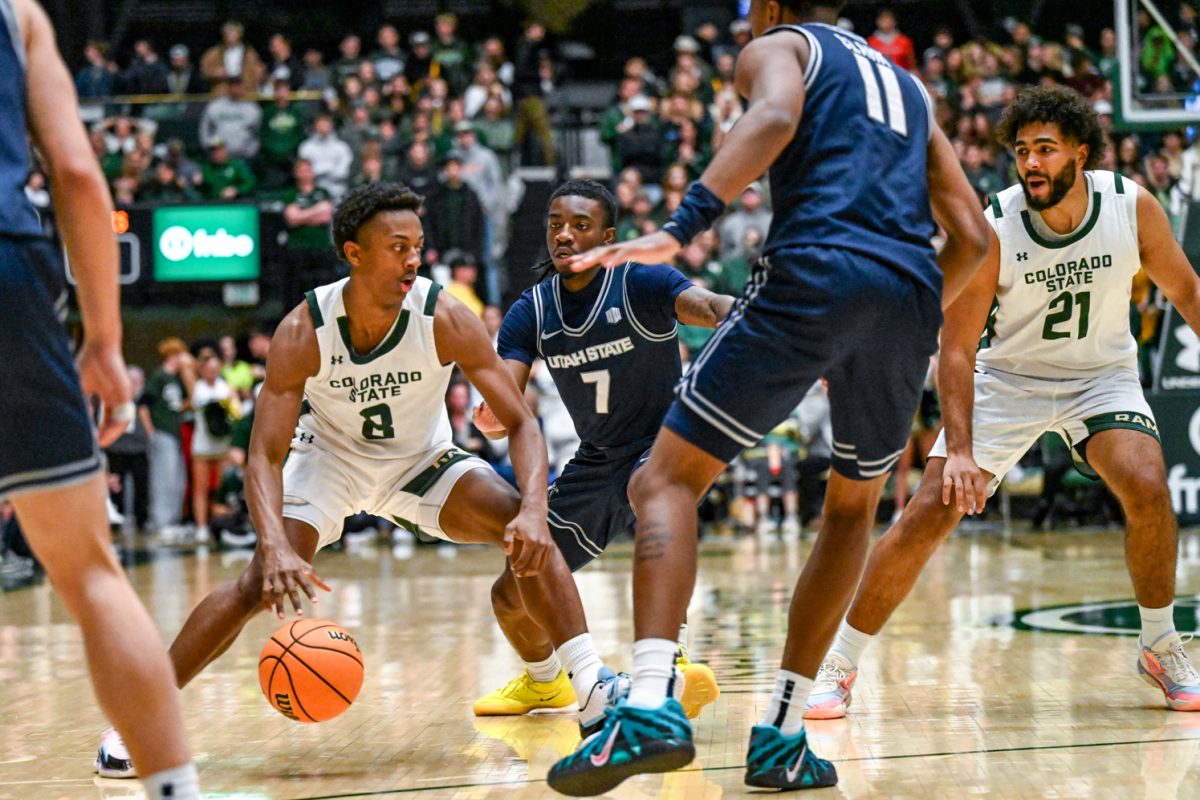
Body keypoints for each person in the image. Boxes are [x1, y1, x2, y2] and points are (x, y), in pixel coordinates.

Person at [545, 1, 989, 794]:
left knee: (664, 480)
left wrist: (682, 228)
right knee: (851, 509)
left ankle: (647, 703)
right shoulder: (910, 88)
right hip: (911, 297)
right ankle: (783, 735)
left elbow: (778, 113)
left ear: (775, 8)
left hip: (813, 269)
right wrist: (902, 312)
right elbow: (975, 235)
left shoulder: (783, 46)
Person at [96, 182, 623, 775]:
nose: (413, 259)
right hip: (331, 462)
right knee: (255, 584)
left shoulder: (445, 315)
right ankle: (138, 723)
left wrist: (531, 507)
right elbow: (265, 455)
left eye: (418, 246)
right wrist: (272, 545)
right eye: (398, 246)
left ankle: (588, 686)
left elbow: (522, 423)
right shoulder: (304, 330)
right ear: (354, 253)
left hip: (420, 462)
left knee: (526, 527)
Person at [806, 86, 1200, 720]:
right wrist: (958, 450)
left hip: (1100, 376)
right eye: (1022, 152)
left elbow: (1187, 293)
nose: (1032, 164)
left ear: (1081, 152)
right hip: (1007, 380)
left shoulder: (1132, 206)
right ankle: (839, 661)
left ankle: (1160, 645)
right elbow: (957, 349)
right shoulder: (994, 225)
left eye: (1046, 149)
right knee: (929, 510)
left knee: (1147, 483)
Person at [0, 1, 200, 797]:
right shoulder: (18, 15)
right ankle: (173, 791)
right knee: (89, 573)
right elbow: (79, 175)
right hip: (8, 275)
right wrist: (105, 344)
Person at [471, 180, 732, 727]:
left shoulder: (641, 280)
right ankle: (547, 684)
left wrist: (756, 313)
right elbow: (507, 392)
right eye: (555, 224)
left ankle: (672, 652)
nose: (564, 235)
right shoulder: (533, 309)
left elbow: (706, 305)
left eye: (580, 225)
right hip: (597, 457)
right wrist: (494, 408)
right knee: (514, 587)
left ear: (608, 236)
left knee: (651, 492)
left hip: (664, 442)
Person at [189, 354, 236, 543]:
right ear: (202, 370)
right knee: (200, 487)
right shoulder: (197, 388)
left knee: (221, 487)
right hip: (202, 442)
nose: (212, 372)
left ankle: (222, 522)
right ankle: (201, 526)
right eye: (208, 368)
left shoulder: (226, 387)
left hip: (222, 442)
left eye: (215, 368)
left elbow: (235, 411)